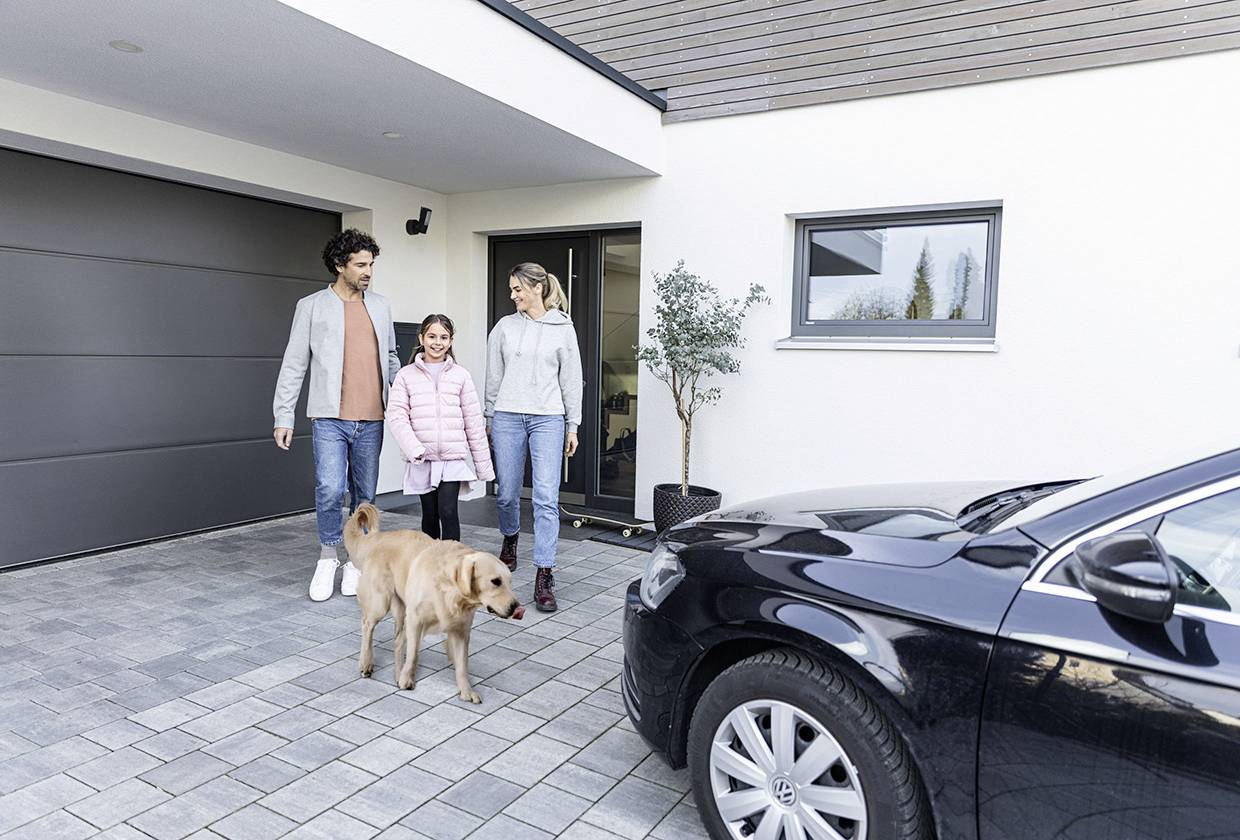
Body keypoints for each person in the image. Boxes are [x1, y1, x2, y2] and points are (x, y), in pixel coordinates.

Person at [272, 229, 400, 601]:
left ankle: (357, 561)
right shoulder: (311, 306)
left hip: (372, 417)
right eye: (360, 265)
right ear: (339, 265)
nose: (368, 272)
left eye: (371, 264)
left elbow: (391, 357)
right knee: (329, 488)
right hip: (329, 418)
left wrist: (405, 402)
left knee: (365, 495)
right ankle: (328, 556)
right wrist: (284, 415)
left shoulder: (381, 306)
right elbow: (294, 364)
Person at [485, 262, 582, 612]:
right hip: (508, 416)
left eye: (518, 289)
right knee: (506, 494)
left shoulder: (563, 328)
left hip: (548, 419)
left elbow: (571, 379)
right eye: (511, 289)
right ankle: (510, 537)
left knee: (545, 497)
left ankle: (545, 573)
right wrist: (489, 416)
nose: (513, 295)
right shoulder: (504, 327)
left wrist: (573, 425)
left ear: (537, 287)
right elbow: (493, 375)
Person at [386, 314, 494, 541]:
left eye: (444, 337)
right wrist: (414, 448)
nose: (437, 342)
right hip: (422, 458)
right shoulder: (405, 375)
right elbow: (397, 417)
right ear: (421, 338)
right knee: (430, 514)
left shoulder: (461, 376)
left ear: (451, 340)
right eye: (432, 336)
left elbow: (473, 422)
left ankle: (453, 560)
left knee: (448, 511)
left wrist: (483, 466)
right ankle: (431, 560)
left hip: (451, 460)